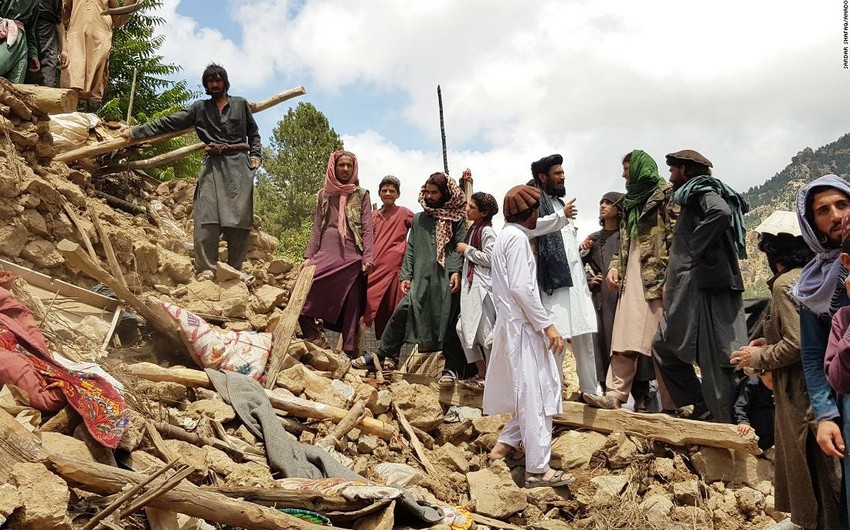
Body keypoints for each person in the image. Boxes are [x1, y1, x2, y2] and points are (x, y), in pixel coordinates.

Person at [732, 209, 839, 529]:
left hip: (801, 394)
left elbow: (796, 343)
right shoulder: (816, 276)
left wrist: (758, 358)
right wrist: (768, 340)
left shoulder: (785, 284)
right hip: (822, 389)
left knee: (814, 474)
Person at [124, 64, 261, 281]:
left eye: (218, 80)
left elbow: (253, 133)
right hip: (212, 165)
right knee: (206, 214)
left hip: (239, 167)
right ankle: (206, 268)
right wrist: (136, 132)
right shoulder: (199, 108)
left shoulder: (240, 104)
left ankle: (235, 268)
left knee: (239, 218)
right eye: (210, 82)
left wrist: (256, 155)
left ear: (225, 81)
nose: (214, 84)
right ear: (206, 85)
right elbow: (169, 122)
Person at [484, 184, 572, 488]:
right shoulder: (518, 240)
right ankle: (538, 470)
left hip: (514, 326)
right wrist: (546, 325)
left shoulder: (505, 237)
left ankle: (501, 449)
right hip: (524, 327)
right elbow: (522, 288)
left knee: (531, 393)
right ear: (531, 213)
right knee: (537, 396)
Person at [652, 149, 748, 423]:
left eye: (673, 170)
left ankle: (726, 427)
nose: (670, 177)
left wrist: (695, 245)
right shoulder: (693, 195)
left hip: (705, 291)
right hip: (691, 291)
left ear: (684, 170)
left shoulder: (701, 190)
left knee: (714, 360)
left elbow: (720, 212)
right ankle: (700, 404)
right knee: (661, 345)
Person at [584, 151, 676, 412]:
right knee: (625, 336)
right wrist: (615, 267)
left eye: (627, 169)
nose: (624, 174)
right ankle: (615, 395)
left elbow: (677, 236)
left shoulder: (666, 196)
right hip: (633, 274)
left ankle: (672, 404)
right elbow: (625, 244)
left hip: (659, 275)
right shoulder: (630, 204)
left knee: (661, 341)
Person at [355, 173, 468, 385]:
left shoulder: (457, 219)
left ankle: (451, 369)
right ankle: (380, 355)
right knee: (403, 311)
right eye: (428, 192)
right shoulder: (419, 218)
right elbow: (411, 248)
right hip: (422, 277)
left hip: (445, 280)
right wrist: (406, 275)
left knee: (449, 319)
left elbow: (458, 247)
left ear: (445, 194)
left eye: (435, 192)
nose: (430, 196)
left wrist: (456, 271)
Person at [526, 154, 600, 396]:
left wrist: (582, 249)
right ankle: (553, 398)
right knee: (555, 342)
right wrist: (560, 218)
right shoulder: (534, 201)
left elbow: (566, 246)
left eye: (562, 172)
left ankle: (590, 392)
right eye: (557, 173)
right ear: (543, 177)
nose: (562, 176)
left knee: (584, 340)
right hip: (553, 287)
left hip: (575, 286)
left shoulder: (559, 204)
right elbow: (529, 228)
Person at [299, 150, 374, 357]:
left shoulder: (362, 195)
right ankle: (313, 335)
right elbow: (317, 227)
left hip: (353, 254)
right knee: (300, 289)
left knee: (352, 300)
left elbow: (367, 228)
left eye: (349, 165)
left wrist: (368, 257)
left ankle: (348, 350)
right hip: (327, 250)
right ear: (334, 167)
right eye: (341, 165)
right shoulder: (324, 194)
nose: (345, 169)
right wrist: (309, 256)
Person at [455, 192, 499, 385]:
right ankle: (483, 372)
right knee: (462, 328)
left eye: (472, 207)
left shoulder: (487, 232)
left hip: (483, 287)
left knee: (485, 333)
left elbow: (491, 259)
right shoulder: (473, 229)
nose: (468, 210)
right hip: (471, 287)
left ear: (484, 212)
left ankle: (492, 379)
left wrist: (468, 250)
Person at [63, 0, 137, 111]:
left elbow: (118, 20)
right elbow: (63, 14)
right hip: (76, 38)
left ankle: (91, 116)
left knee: (96, 82)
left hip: (100, 40)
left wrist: (132, 3)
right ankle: (71, 113)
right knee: (73, 77)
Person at [364, 176, 413, 340]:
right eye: (384, 190)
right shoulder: (372, 215)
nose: (388, 193)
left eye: (392, 191)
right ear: (379, 194)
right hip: (373, 269)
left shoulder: (404, 213)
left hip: (394, 271)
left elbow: (422, 226)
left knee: (392, 310)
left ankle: (390, 356)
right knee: (366, 305)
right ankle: (352, 349)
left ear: (397, 194)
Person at [24, 0, 66, 87]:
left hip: (48, 37)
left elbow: (59, 21)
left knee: (47, 79)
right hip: (25, 34)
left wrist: (64, 50)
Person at [733, 373, 775, 452]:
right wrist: (743, 421)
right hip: (757, 419)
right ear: (760, 375)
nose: (774, 385)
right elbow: (740, 406)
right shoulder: (751, 383)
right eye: (771, 381)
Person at [0, 0, 40, 83]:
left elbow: (30, 30)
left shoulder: (35, 2)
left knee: (15, 88)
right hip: (3, 36)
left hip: (21, 44)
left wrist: (33, 54)